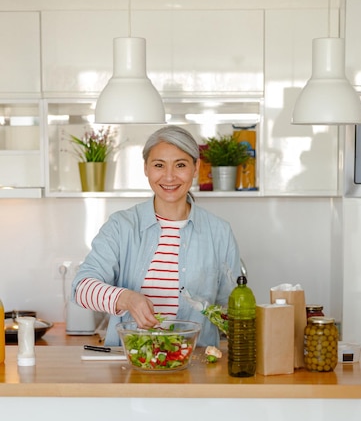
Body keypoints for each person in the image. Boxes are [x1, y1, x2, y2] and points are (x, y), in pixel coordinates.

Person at [71, 125, 242, 347]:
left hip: (196, 366)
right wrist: (127, 298)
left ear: (196, 167)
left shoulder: (219, 232)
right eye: (159, 165)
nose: (169, 177)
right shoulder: (122, 226)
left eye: (180, 165)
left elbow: (233, 310)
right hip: (131, 361)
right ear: (146, 168)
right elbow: (80, 288)